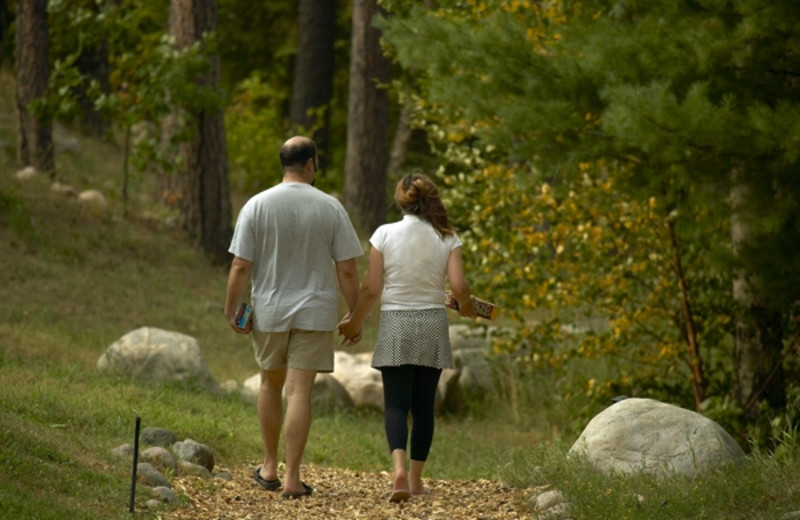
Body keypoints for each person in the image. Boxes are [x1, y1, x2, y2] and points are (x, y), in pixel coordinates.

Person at [224, 136, 363, 499]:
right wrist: (354, 314)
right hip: (315, 312)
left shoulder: (256, 205)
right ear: (311, 164)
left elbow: (240, 265)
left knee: (270, 385)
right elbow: (346, 269)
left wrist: (231, 309)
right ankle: (293, 477)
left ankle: (269, 467)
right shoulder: (330, 207)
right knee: (300, 392)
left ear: (283, 163)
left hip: (269, 311)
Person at [337, 171, 476, 503]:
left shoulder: (384, 234)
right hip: (431, 322)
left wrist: (355, 322)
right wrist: (468, 306)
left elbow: (371, 289)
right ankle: (415, 480)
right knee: (424, 407)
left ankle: (397, 470)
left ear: (400, 201)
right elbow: (459, 286)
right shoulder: (448, 237)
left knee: (395, 404)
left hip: (396, 322)